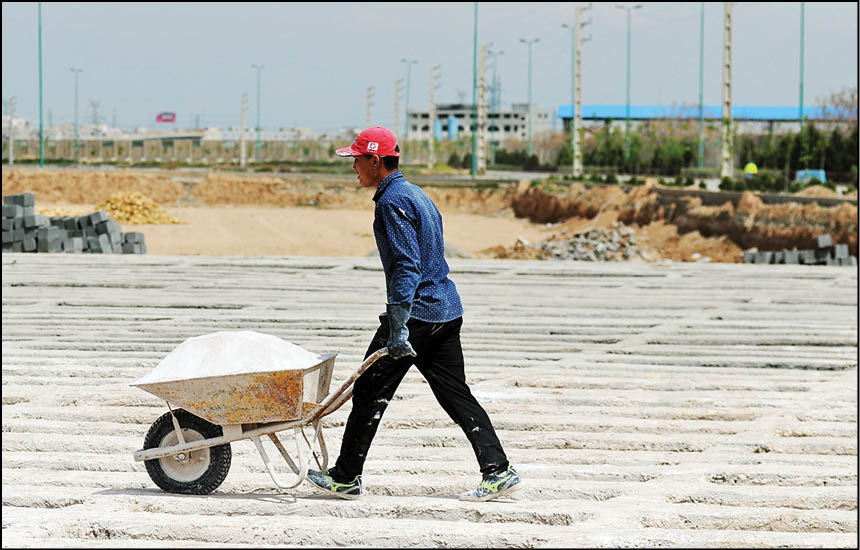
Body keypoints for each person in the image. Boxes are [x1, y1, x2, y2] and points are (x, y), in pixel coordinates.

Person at [306, 126, 521, 502]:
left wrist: (398, 325)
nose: (352, 166)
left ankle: (345, 476)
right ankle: (498, 470)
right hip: (446, 310)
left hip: (418, 315)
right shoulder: (416, 194)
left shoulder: (391, 202)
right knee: (456, 394)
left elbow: (407, 266)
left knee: (370, 389)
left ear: (375, 161)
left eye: (356, 159)